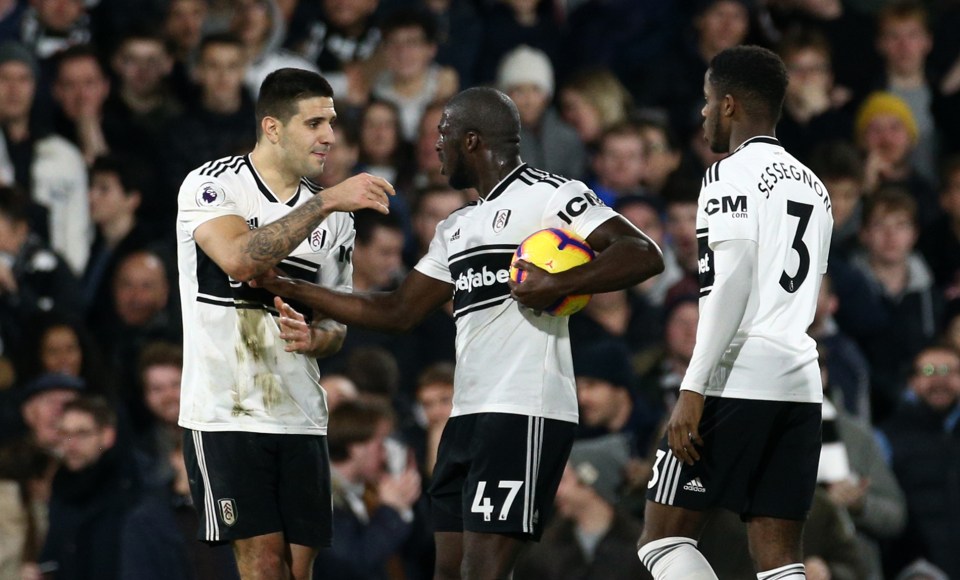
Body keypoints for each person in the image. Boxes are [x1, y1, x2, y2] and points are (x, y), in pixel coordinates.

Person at [251, 86, 664, 578]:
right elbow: (399, 310)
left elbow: (642, 253)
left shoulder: (552, 195)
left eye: (443, 135)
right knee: (449, 571)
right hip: (464, 417)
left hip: (523, 410)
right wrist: (293, 287)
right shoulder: (457, 226)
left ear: (472, 140)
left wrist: (561, 282)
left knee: (481, 572)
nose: (435, 147)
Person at [175, 67, 393, 580]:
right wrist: (328, 200)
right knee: (263, 561)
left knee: (298, 569)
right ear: (272, 128)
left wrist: (316, 337)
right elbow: (238, 259)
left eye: (332, 122)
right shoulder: (212, 184)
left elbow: (336, 327)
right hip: (226, 411)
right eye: (315, 122)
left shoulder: (339, 223)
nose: (330, 137)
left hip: (301, 412)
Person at [636, 45, 834, 580]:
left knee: (662, 539)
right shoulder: (816, 188)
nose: (700, 114)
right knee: (778, 560)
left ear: (727, 104)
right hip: (799, 383)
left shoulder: (727, 175)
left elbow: (730, 284)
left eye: (705, 101)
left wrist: (693, 388)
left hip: (736, 376)